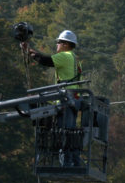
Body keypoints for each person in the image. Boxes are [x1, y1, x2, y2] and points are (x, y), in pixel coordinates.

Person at [21, 30, 84, 166]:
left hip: (66, 100)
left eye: (59, 42)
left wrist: (28, 51)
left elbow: (45, 60)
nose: (57, 45)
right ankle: (74, 161)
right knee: (70, 132)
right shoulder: (75, 59)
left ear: (66, 44)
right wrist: (30, 51)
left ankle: (66, 163)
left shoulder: (65, 56)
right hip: (73, 100)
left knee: (63, 132)